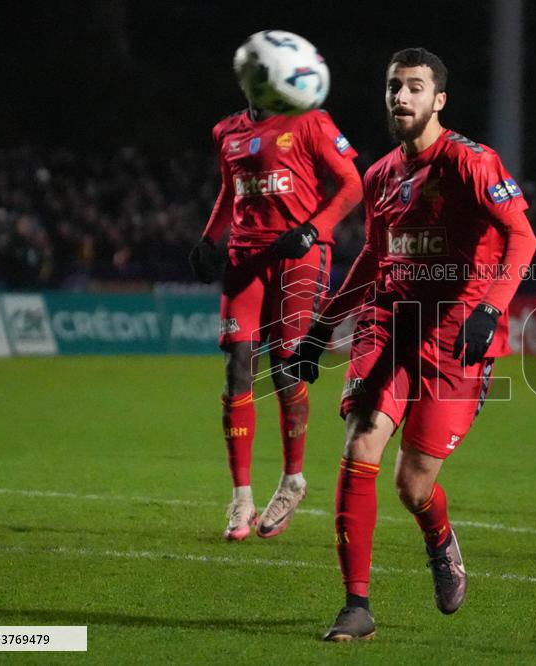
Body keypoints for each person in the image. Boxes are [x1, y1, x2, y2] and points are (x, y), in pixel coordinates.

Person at [288, 47, 536, 641]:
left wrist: (489, 309)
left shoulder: (472, 162)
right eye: (395, 86)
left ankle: (440, 540)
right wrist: (324, 326)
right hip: (388, 326)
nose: (402, 97)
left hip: (455, 336)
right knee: (362, 438)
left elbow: (522, 238)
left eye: (416, 88)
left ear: (438, 100)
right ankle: (356, 605)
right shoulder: (379, 176)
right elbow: (375, 257)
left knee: (414, 482)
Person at [189, 33, 361, 541]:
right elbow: (230, 189)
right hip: (245, 257)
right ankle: (240, 497)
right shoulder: (227, 131)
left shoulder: (311, 121)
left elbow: (352, 183)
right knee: (238, 363)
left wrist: (313, 228)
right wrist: (208, 238)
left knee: (286, 368)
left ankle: (292, 479)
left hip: (298, 254)